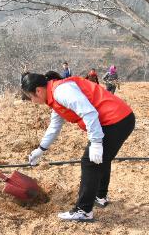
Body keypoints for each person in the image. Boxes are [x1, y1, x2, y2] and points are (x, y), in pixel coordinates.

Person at [21, 71, 135, 222]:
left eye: (30, 97)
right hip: (120, 118)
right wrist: (40, 149)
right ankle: (100, 196)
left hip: (115, 120)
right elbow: (54, 127)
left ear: (38, 91)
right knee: (100, 158)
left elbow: (89, 113)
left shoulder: (61, 92)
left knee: (90, 162)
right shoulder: (54, 96)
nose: (32, 101)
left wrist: (96, 142)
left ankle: (83, 210)